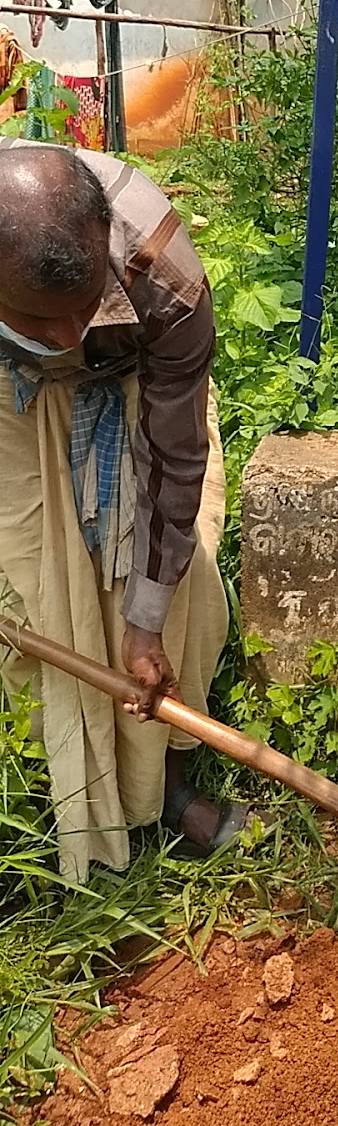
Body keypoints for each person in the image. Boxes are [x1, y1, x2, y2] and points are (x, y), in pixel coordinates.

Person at [0, 141, 247, 882]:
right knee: (34, 594)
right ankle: (59, 791)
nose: (66, 337)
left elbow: (175, 459)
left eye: (81, 312)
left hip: (132, 387)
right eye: (41, 321)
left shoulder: (163, 277)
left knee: (173, 609)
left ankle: (162, 790)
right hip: (11, 402)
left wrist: (144, 623)